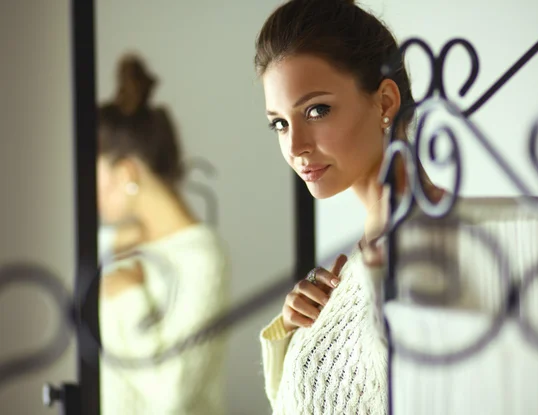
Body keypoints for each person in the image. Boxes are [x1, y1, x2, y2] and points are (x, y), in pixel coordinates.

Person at [255, 0, 445, 413]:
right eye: (280, 123)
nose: (295, 146)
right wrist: (295, 332)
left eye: (316, 110)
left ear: (385, 103)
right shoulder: (362, 255)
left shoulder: (438, 246)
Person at [97, 54, 230, 415]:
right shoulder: (118, 245)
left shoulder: (202, 256)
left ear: (126, 173)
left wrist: (128, 297)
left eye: (95, 177)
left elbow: (173, 397)